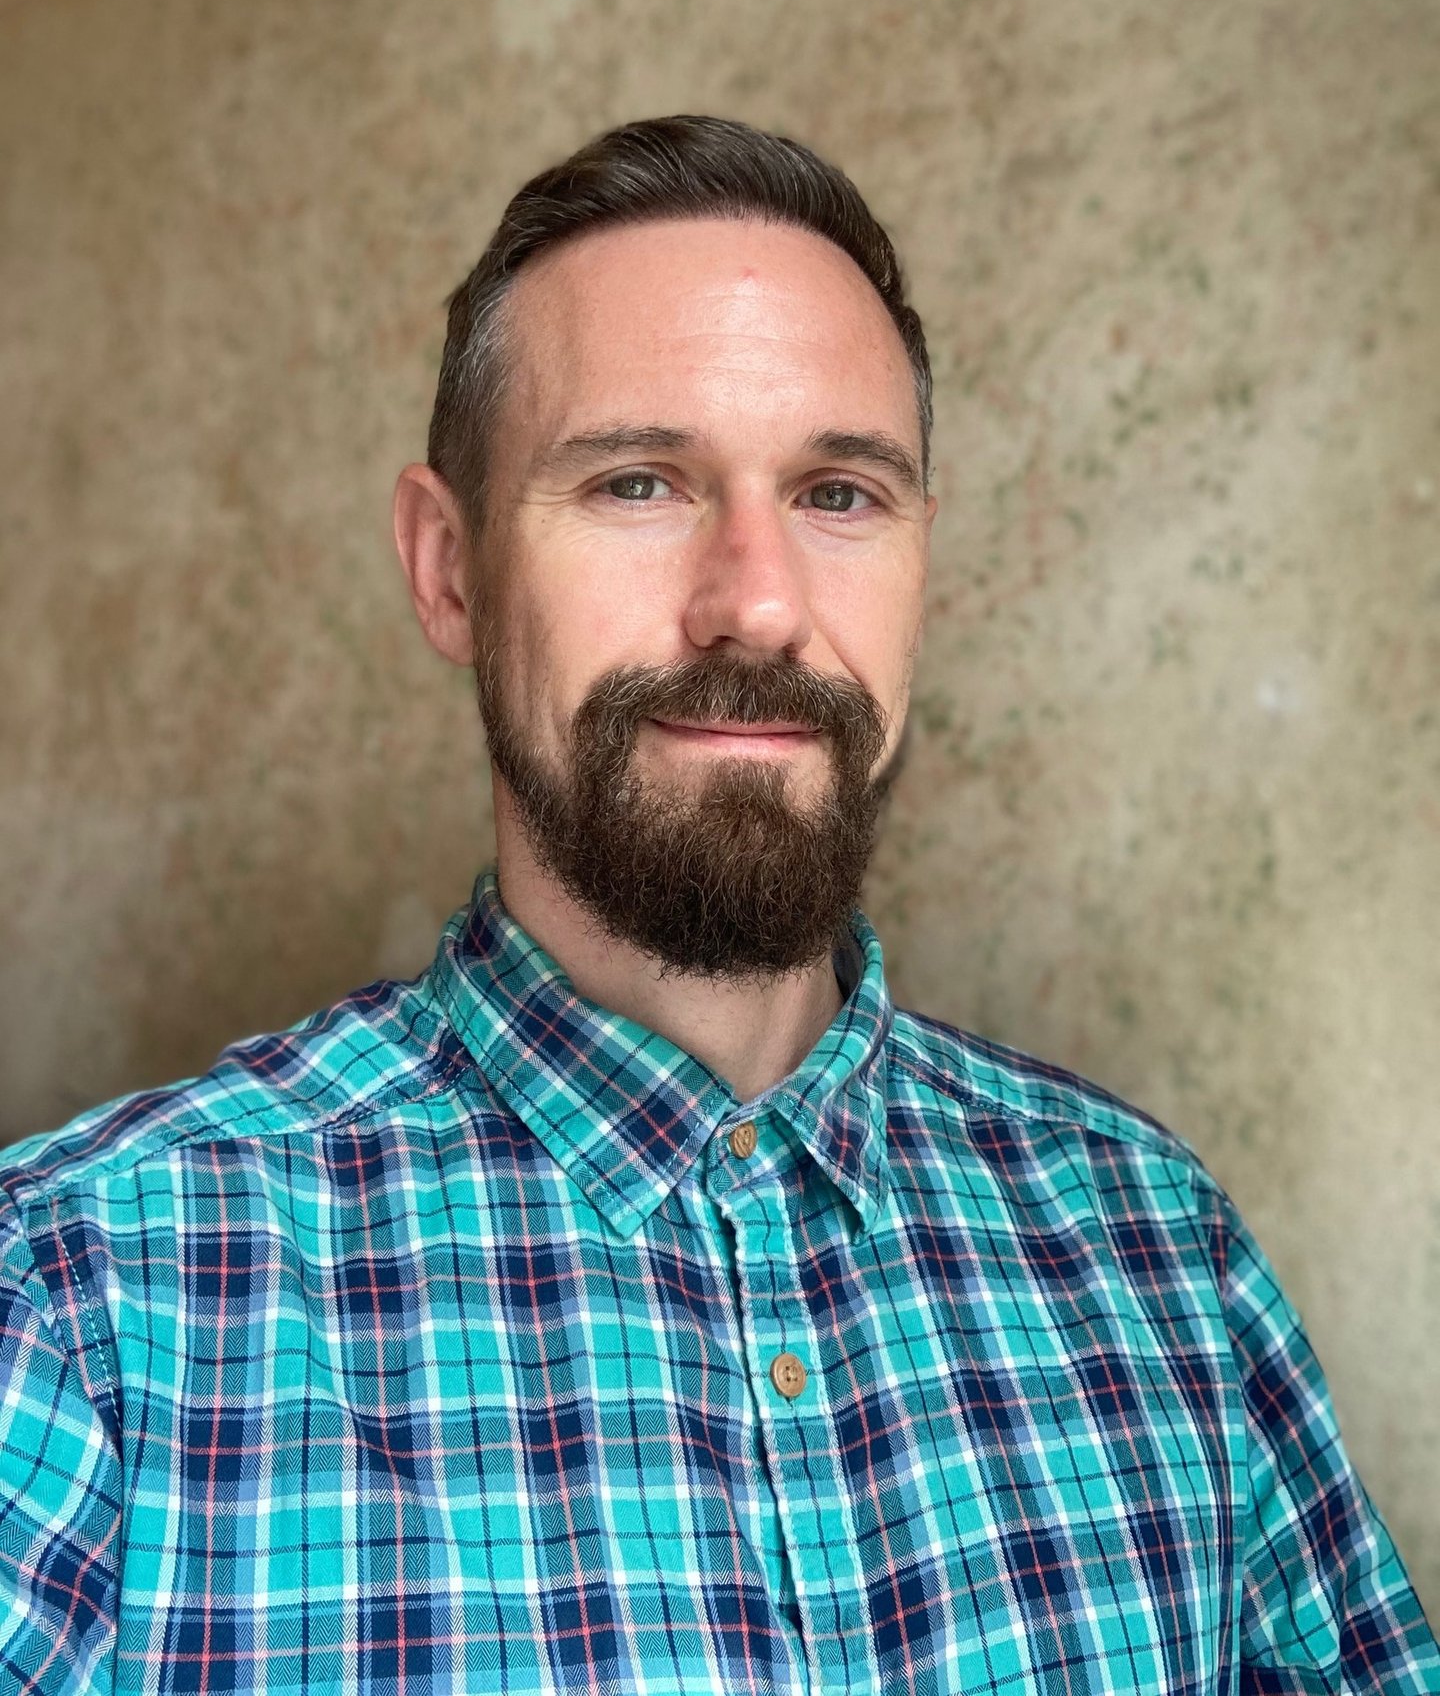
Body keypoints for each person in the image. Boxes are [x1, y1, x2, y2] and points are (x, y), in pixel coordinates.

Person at [0, 117, 1433, 1696]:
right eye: (638, 481)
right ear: (450, 570)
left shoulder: (1157, 1247)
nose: (756, 600)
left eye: (839, 494)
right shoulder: (84, 1302)